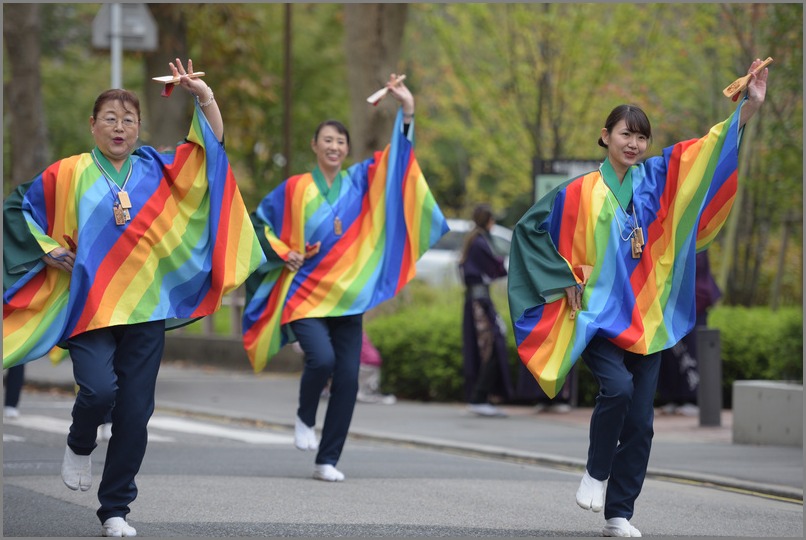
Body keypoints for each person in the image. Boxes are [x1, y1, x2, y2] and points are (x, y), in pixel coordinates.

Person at [2, 58, 264, 537]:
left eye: (128, 120)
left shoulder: (155, 168)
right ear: (93, 125)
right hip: (90, 307)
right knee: (99, 391)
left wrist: (203, 95)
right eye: (110, 119)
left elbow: (208, 151)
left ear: (139, 128)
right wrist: (47, 249)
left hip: (147, 308)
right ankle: (80, 442)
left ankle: (116, 509)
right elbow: (17, 210)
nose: (119, 127)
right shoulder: (68, 173)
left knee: (136, 411)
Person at [507, 59, 768, 537]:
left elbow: (705, 155)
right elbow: (528, 232)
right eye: (626, 134)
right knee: (618, 390)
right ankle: (595, 472)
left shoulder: (654, 183)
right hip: (598, 318)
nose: (634, 143)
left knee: (643, 423)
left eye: (642, 137)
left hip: (648, 319)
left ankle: (619, 513)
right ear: (605, 136)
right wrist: (559, 276)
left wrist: (746, 110)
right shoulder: (578, 194)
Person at [242, 74, 448, 482]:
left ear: (347, 149)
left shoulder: (361, 180)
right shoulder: (294, 189)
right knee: (322, 359)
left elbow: (399, 164)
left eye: (341, 141)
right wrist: (285, 252)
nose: (335, 147)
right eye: (327, 140)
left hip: (349, 297)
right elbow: (258, 226)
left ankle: (327, 459)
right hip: (303, 294)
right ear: (314, 147)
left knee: (349, 379)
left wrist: (407, 110)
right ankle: (304, 416)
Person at [460, 203, 513, 417]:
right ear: (488, 221)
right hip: (479, 303)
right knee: (492, 344)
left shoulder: (474, 240)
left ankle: (482, 396)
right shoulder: (480, 242)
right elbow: (497, 266)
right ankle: (479, 396)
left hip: (477, 301)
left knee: (487, 346)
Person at [657, 251, 721, 416]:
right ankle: (670, 397)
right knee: (669, 351)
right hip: (670, 300)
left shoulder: (693, 230)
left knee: (691, 349)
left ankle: (692, 399)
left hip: (693, 299)